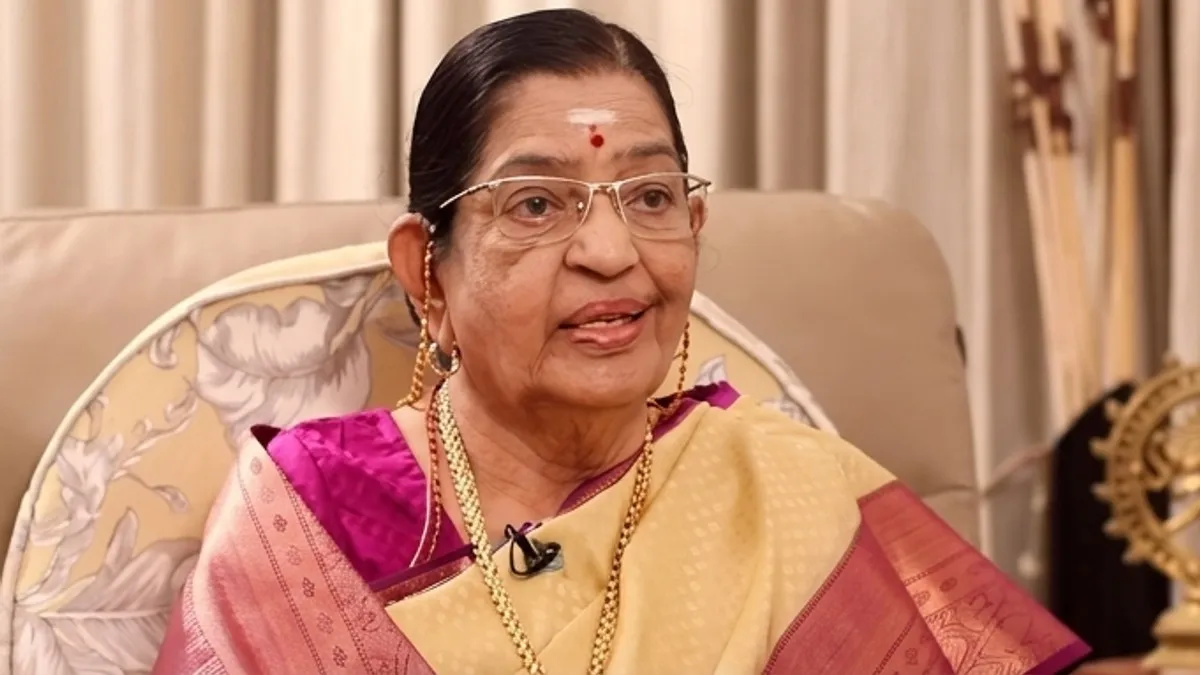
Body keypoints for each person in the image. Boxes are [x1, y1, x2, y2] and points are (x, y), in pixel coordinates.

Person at [153, 8, 1087, 674]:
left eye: (650, 196)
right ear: (425, 268)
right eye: (536, 204)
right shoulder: (314, 510)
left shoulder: (787, 489)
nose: (612, 252)